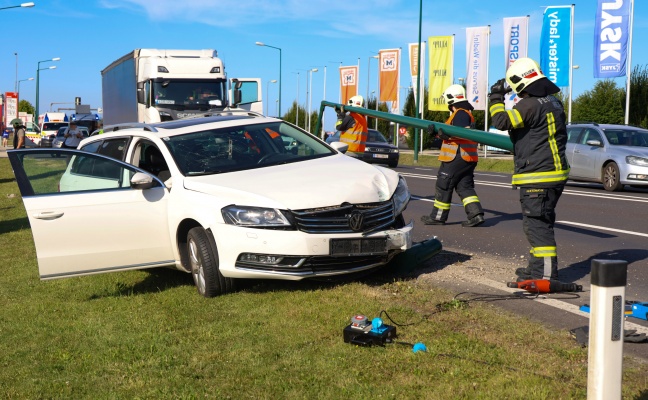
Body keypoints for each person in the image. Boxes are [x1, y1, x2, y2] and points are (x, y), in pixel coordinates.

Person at [488, 57, 569, 282]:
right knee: (539, 222)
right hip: (554, 173)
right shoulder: (553, 102)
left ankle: (543, 275)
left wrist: (495, 97)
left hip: (538, 175)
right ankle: (536, 268)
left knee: (536, 225)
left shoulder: (529, 104)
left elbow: (502, 122)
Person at [420, 84, 485, 227]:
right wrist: (438, 134)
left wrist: (444, 134)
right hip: (467, 157)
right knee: (464, 186)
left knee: (444, 184)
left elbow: (459, 132)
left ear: (450, 100)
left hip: (456, 157)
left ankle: (438, 217)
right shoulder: (466, 113)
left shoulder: (460, 113)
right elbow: (456, 134)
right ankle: (476, 215)